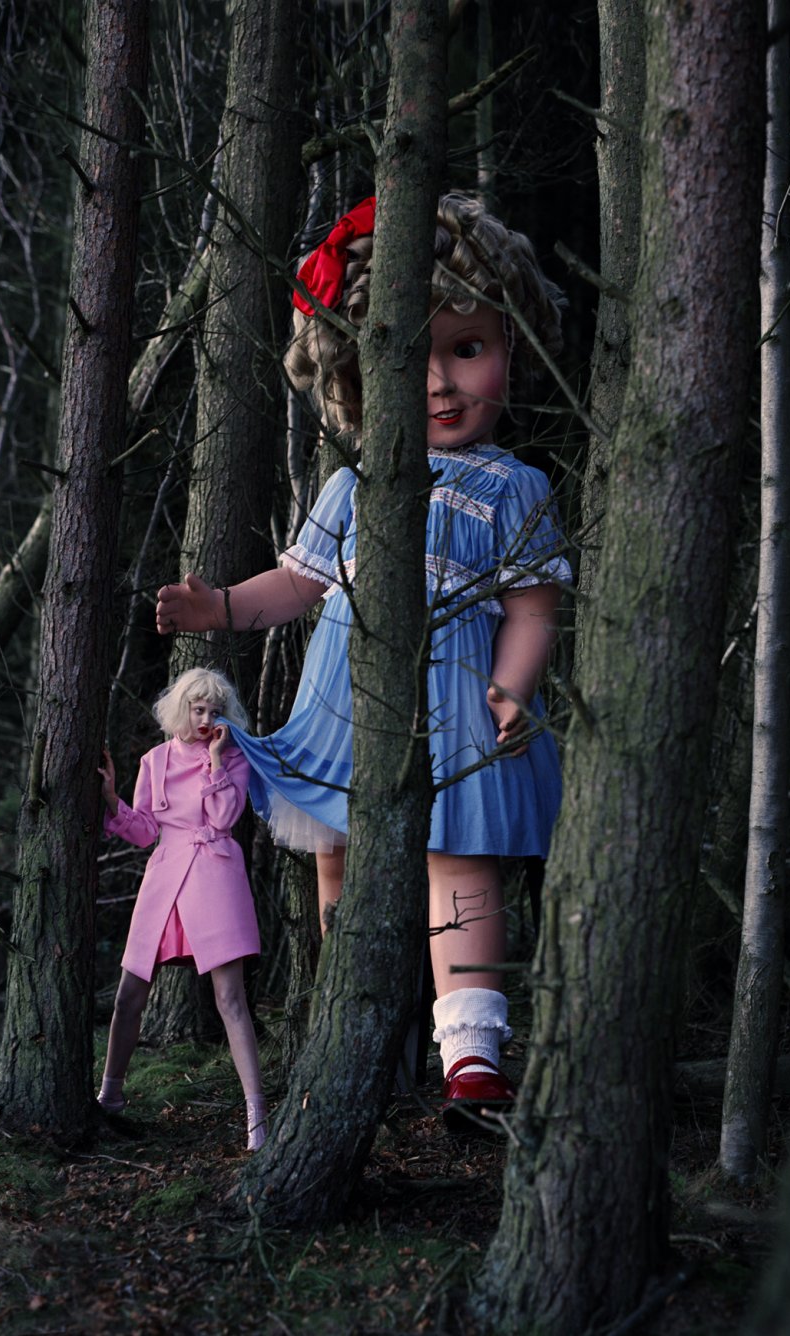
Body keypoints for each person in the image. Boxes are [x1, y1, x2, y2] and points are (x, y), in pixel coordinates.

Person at [154, 193, 570, 1124]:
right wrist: (220, 607)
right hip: (345, 702)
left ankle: (471, 1049)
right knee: (338, 854)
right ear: (356, 378)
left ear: (513, 345)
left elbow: (533, 605)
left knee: (461, 863)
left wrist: (513, 687)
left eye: (468, 348)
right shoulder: (354, 484)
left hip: (457, 703)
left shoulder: (515, 486)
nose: (442, 384)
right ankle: (353, 1022)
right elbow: (298, 584)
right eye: (411, 362)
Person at [95, 667, 267, 1150]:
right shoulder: (154, 760)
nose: (206, 719)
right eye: (198, 709)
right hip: (165, 879)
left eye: (215, 711)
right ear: (180, 710)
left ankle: (257, 1116)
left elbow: (225, 817)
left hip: (215, 877)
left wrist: (215, 761)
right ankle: (109, 1096)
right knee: (129, 995)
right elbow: (145, 831)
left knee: (230, 999)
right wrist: (111, 799)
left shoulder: (233, 756)